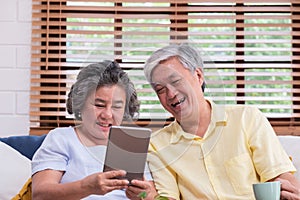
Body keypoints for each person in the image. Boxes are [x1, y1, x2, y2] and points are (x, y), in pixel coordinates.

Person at [143, 43, 300, 200]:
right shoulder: (157, 145)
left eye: (176, 81)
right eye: (160, 89)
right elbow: (168, 197)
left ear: (198, 76)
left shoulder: (246, 118)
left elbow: (281, 180)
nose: (171, 94)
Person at [31, 61, 157, 200]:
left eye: (116, 107)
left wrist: (144, 195)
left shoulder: (131, 144)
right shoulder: (62, 138)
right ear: (81, 104)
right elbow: (40, 195)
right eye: (99, 105)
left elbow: (149, 195)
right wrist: (87, 187)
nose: (107, 114)